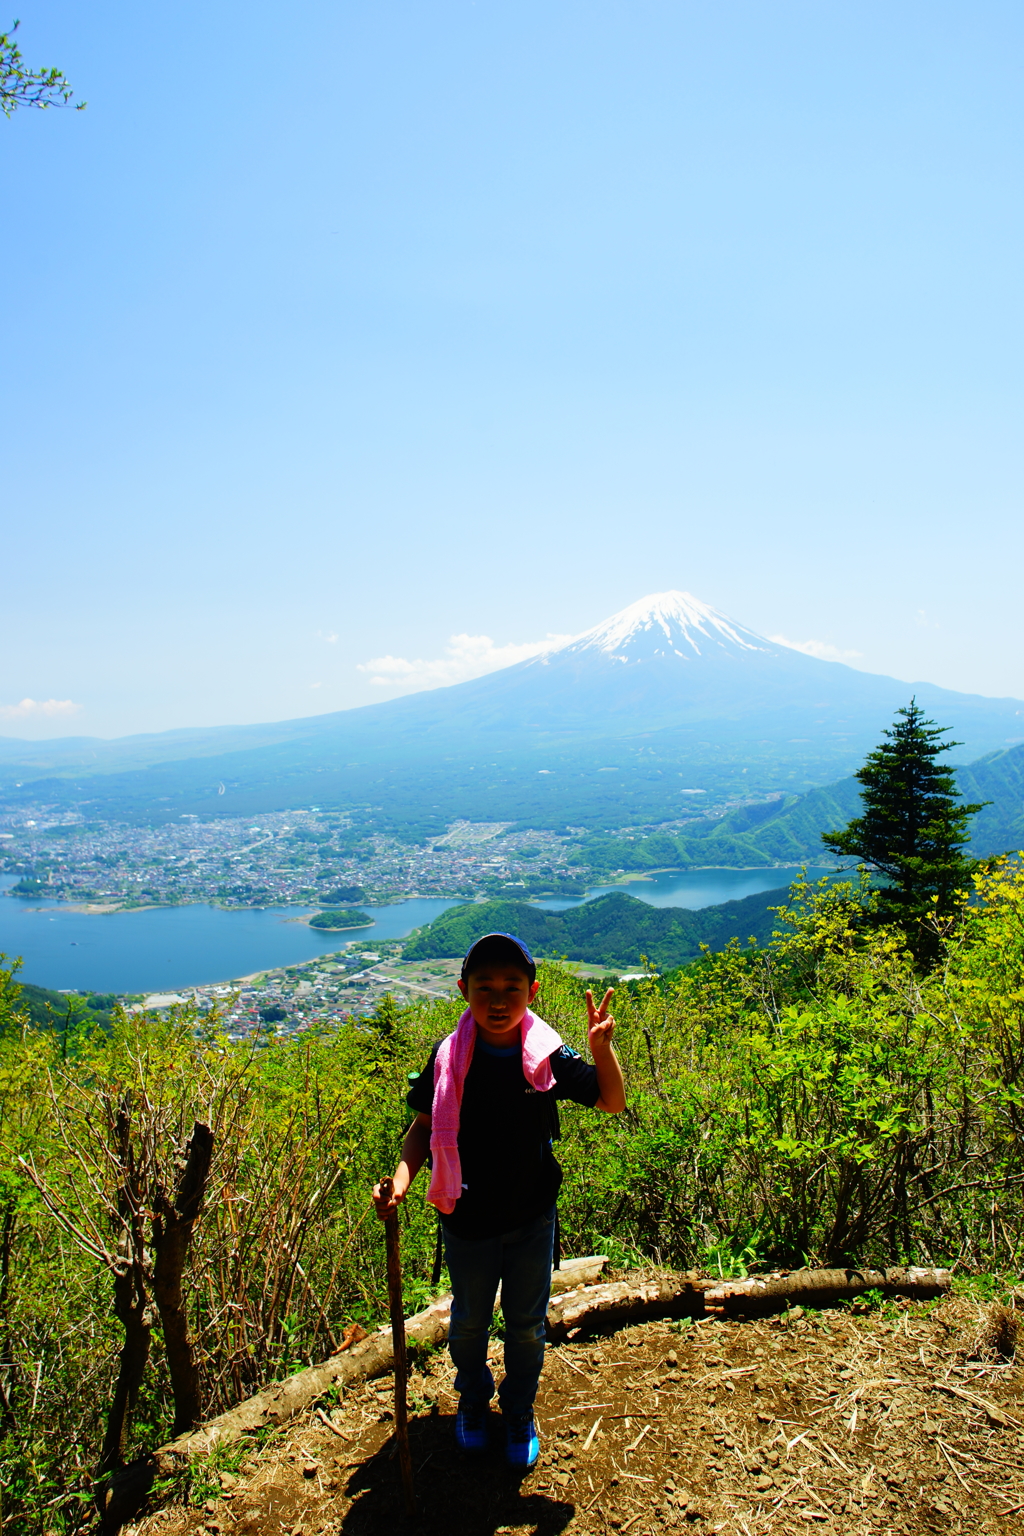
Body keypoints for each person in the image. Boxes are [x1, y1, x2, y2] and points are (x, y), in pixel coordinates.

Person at [372, 931, 626, 1470]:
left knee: (526, 1325)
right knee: (467, 1322)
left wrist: (601, 1050)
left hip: (532, 1218)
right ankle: (471, 1400)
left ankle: (517, 1409)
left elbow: (610, 1100)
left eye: (512, 986)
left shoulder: (546, 1057)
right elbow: (422, 1130)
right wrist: (401, 1180)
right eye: (484, 986)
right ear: (464, 990)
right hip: (467, 1220)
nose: (497, 998)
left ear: (532, 992)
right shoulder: (448, 1056)